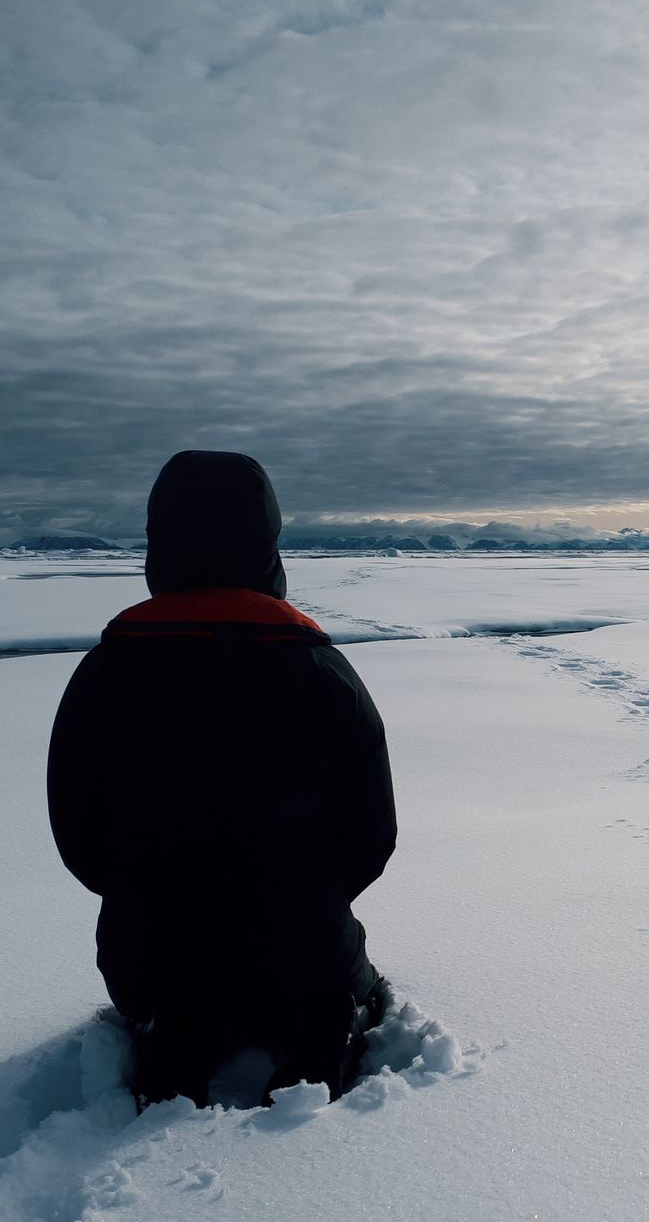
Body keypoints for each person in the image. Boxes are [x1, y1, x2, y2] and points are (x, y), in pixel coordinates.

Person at [46, 450, 396, 1107]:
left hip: (147, 950)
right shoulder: (323, 674)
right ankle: (320, 1024)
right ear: (267, 541)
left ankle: (180, 1023)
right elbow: (372, 837)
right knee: (342, 980)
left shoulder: (104, 675)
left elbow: (78, 834)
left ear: (160, 542)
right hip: (306, 945)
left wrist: (145, 887)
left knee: (178, 977)